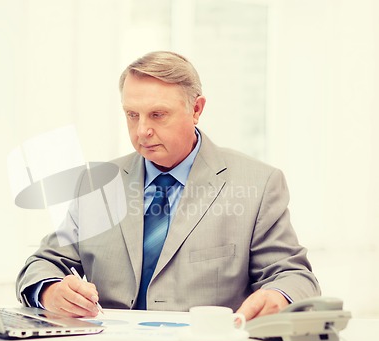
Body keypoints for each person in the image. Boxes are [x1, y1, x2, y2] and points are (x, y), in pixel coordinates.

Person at [16, 51, 320, 320]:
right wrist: (50, 292)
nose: (142, 131)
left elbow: (295, 276)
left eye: (158, 115)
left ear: (197, 109)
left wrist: (279, 296)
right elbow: (42, 263)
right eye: (132, 115)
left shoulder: (258, 183)